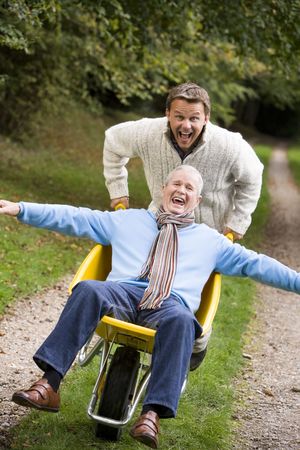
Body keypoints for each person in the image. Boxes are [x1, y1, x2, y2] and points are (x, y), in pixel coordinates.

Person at [1, 165, 299, 450]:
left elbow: (256, 264)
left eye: (189, 187)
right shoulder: (127, 220)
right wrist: (21, 209)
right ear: (163, 189)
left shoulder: (212, 242)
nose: (181, 190)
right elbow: (76, 217)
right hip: (124, 293)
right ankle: (48, 385)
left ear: (198, 200)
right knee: (89, 288)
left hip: (170, 304)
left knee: (183, 320)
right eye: (176, 184)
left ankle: (152, 415)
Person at [103, 82, 264, 369]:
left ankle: (195, 343)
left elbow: (252, 178)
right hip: (161, 224)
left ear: (206, 119)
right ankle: (133, 323)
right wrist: (119, 196)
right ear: (167, 114)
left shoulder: (229, 146)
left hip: (208, 235)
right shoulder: (148, 133)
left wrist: (235, 226)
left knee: (195, 301)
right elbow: (113, 141)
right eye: (179, 116)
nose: (186, 125)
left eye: (194, 118)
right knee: (146, 280)